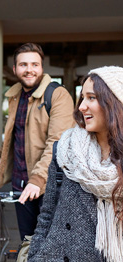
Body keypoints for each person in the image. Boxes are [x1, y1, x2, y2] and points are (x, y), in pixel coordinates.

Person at [28, 66, 123, 262]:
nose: (81, 106)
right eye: (82, 98)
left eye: (92, 98)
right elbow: (47, 214)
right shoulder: (66, 149)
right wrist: (34, 255)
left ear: (114, 102)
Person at [0, 43, 75, 240]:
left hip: (50, 184)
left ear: (42, 68)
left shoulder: (57, 95)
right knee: (27, 243)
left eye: (35, 64)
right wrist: (0, 154)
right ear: (15, 69)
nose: (29, 70)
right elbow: (15, 132)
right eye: (23, 65)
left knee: (51, 244)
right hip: (21, 185)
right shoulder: (15, 96)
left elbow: (57, 143)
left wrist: (37, 179)